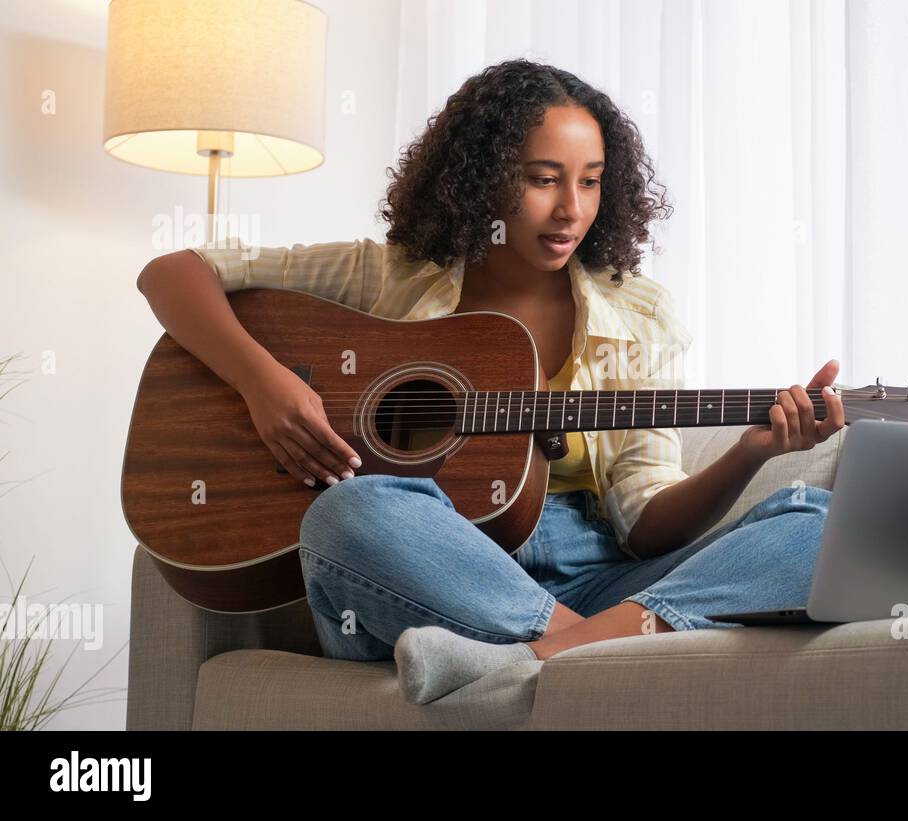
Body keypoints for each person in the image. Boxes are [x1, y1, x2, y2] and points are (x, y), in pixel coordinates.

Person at [137, 58, 845, 705]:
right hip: (433, 568)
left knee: (816, 522)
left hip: (595, 573)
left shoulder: (637, 313)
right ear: (480, 177)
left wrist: (752, 450)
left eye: (590, 180)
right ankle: (594, 649)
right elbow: (172, 272)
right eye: (543, 179)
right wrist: (263, 383)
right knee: (343, 514)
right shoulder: (387, 273)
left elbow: (645, 524)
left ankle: (522, 658)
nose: (571, 207)